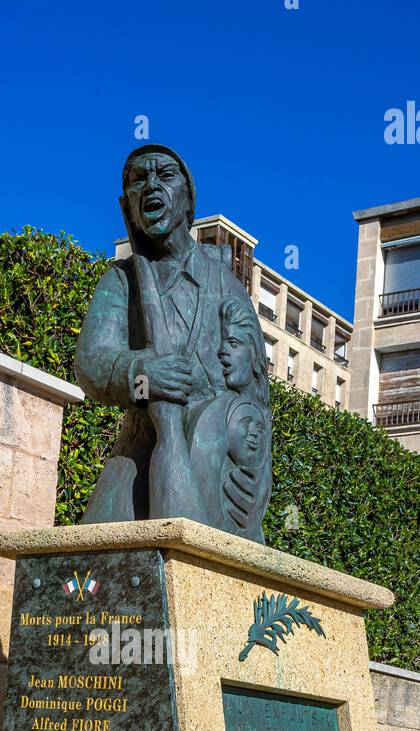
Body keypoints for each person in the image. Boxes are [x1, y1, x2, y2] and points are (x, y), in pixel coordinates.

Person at [75, 144, 272, 536]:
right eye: (138, 180)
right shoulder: (120, 281)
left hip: (217, 469)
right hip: (141, 454)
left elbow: (256, 398)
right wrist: (143, 372)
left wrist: (251, 480)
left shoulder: (227, 286)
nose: (150, 185)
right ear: (128, 204)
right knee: (84, 562)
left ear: (187, 200)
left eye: (164, 175)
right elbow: (91, 362)